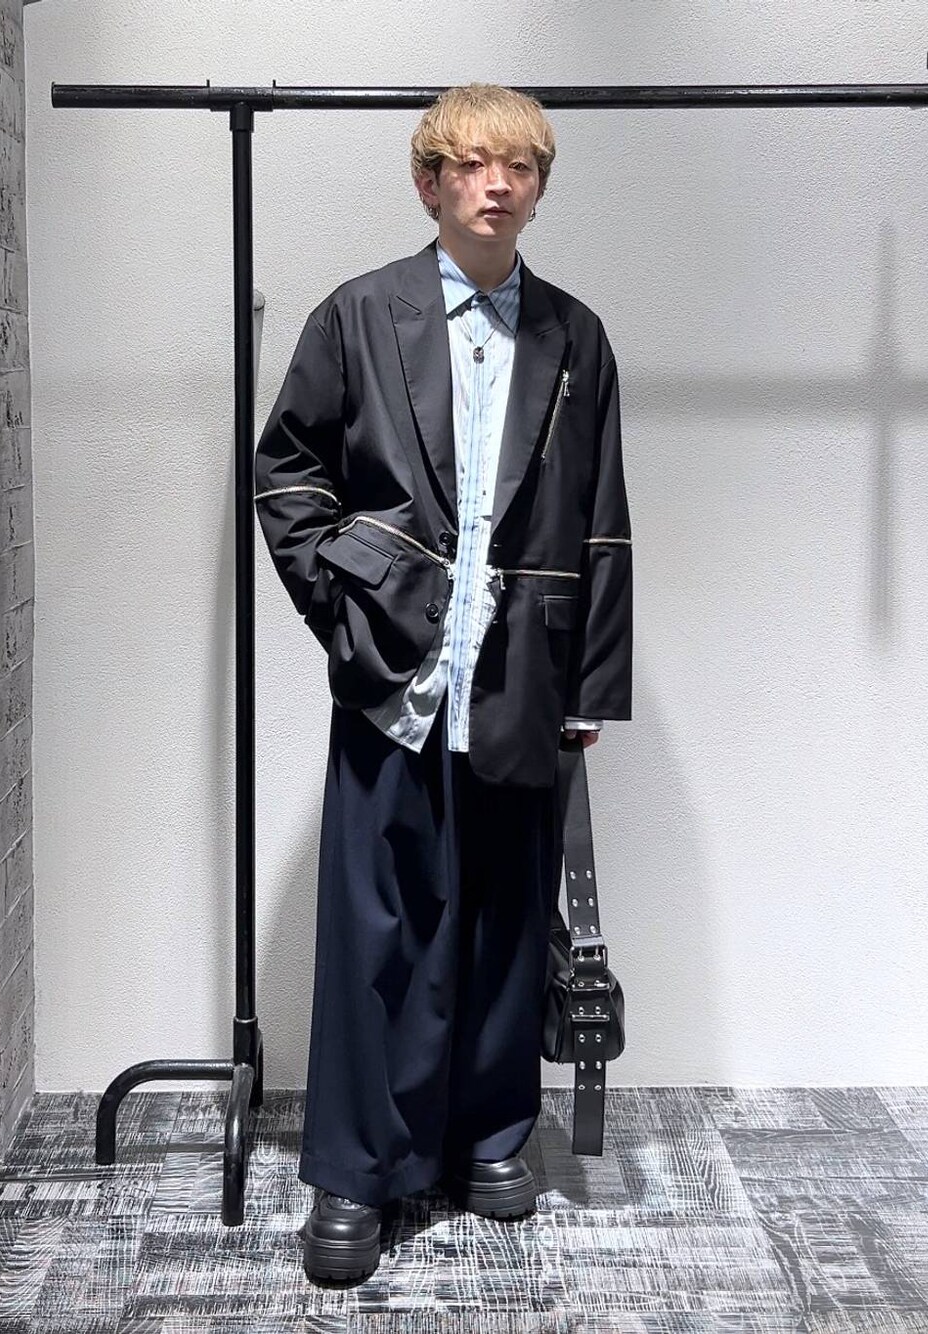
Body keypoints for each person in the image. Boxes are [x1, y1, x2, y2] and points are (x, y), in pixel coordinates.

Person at [254, 82, 632, 1283]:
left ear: (537, 186)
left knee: (506, 921)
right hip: (394, 675)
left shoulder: (575, 335)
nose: (496, 183)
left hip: (521, 674)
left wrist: (590, 685)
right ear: (430, 182)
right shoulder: (360, 314)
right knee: (376, 933)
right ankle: (355, 1174)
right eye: (471, 163)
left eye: (519, 165)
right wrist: (344, 609)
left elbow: (603, 519)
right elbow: (288, 473)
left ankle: (491, 1134)